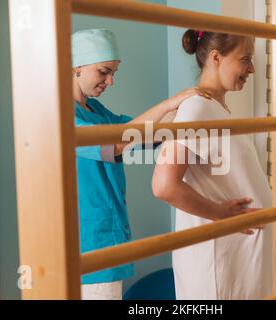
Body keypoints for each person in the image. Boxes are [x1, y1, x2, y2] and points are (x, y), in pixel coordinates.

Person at [72, 28, 208, 300]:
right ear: (76, 67)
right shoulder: (62, 114)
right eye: (103, 71)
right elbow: (119, 143)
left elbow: (145, 133)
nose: (110, 81)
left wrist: (189, 107)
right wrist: (170, 102)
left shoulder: (95, 111)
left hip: (106, 240)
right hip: (85, 246)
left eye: (114, 73)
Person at [152, 30, 273, 300]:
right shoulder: (196, 109)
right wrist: (221, 214)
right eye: (245, 59)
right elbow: (163, 185)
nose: (252, 68)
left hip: (239, 258)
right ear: (216, 57)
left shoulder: (217, 108)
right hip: (217, 264)